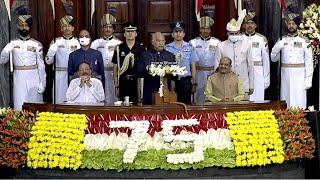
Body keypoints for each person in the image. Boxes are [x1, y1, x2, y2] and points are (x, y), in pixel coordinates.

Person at [0, 11, 46, 110]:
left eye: (26, 25)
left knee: (34, 105)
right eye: (21, 25)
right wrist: (5, 51)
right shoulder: (12, 43)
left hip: (33, 77)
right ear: (18, 26)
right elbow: (2, 61)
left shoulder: (36, 44)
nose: (24, 28)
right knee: (19, 104)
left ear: (30, 27)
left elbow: (41, 66)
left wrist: (43, 82)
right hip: (19, 77)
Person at [270, 12, 313, 109]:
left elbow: (309, 63)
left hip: (299, 77)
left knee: (299, 101)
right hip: (285, 77)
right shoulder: (282, 40)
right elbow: (273, 58)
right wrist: (277, 46)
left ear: (297, 25)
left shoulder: (304, 41)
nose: (291, 26)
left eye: (293, 24)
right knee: (286, 101)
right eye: (289, 23)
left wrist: (308, 80)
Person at [215, 10, 254, 99]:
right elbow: (216, 67)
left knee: (243, 110)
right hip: (225, 84)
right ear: (227, 33)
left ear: (239, 33)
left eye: (236, 33)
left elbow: (250, 66)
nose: (234, 35)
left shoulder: (247, 44)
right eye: (231, 33)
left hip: (243, 83)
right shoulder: (221, 46)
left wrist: (251, 85)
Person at [45, 15, 80, 104]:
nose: (67, 28)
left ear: (73, 28)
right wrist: (52, 50)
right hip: (59, 75)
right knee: (59, 99)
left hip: (74, 75)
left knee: (74, 99)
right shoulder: (55, 42)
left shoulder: (78, 42)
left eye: (69, 26)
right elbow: (48, 61)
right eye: (64, 26)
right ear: (61, 29)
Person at [137, 32, 176, 105]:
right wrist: (149, 71)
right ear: (152, 42)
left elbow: (175, 77)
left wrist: (171, 72)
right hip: (149, 92)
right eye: (158, 41)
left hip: (166, 93)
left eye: (163, 41)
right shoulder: (145, 55)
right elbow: (139, 72)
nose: (161, 43)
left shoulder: (170, 56)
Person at [166, 21, 199, 104]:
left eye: (180, 32)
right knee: (172, 104)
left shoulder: (190, 47)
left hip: (186, 81)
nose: (178, 34)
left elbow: (193, 66)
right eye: (176, 32)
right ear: (172, 34)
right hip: (172, 80)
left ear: (184, 34)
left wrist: (194, 83)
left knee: (186, 105)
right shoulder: (167, 48)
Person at [91, 13, 122, 104]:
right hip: (100, 74)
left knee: (114, 98)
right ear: (102, 29)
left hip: (114, 75)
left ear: (113, 29)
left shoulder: (118, 43)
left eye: (110, 27)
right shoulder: (96, 43)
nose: (108, 29)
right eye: (105, 27)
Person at [112, 22, 145, 104]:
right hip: (123, 81)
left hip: (137, 82)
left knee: (138, 105)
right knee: (123, 105)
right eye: (128, 31)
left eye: (132, 31)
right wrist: (116, 86)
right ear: (124, 34)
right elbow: (115, 69)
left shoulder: (141, 48)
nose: (130, 34)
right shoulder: (119, 48)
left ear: (136, 34)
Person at [190, 16, 221, 105]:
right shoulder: (193, 42)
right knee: (199, 96)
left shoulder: (217, 42)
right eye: (203, 28)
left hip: (213, 72)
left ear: (210, 30)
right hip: (199, 73)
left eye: (207, 29)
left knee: (213, 96)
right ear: (200, 29)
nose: (205, 31)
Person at [242, 11, 270, 101]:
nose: (250, 25)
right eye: (247, 23)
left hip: (258, 73)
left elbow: (266, 61)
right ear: (244, 26)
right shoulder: (239, 38)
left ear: (255, 25)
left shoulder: (261, 39)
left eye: (252, 23)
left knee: (258, 98)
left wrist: (266, 78)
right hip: (244, 71)